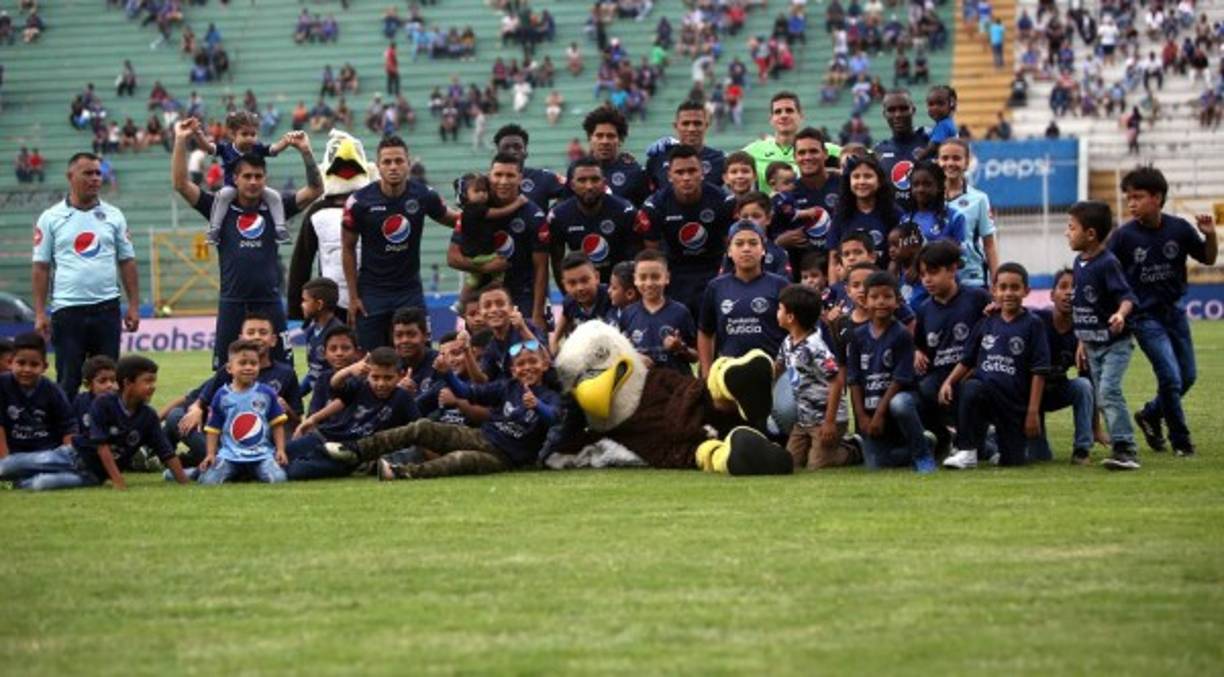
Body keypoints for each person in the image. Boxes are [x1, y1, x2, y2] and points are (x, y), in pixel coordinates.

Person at [171, 118, 322, 370]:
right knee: (225, 372)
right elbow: (181, 185)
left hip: (270, 302)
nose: (253, 181)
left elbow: (316, 189)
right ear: (235, 179)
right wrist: (179, 140)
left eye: (258, 176)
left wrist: (306, 152)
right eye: (247, 176)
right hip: (232, 302)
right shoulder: (219, 207)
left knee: (282, 370)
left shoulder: (277, 207)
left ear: (265, 178)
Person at [327, 338, 561, 481]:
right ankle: (356, 450)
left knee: (459, 460)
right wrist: (446, 372)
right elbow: (466, 392)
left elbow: (553, 420)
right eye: (521, 364)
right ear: (513, 370)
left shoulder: (552, 396)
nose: (527, 368)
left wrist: (538, 406)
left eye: (533, 362)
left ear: (544, 365)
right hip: (483, 436)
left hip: (507, 458)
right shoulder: (506, 387)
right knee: (423, 427)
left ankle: (400, 473)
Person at [1111, 168, 1217, 458]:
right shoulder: (1122, 238)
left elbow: (1208, 258)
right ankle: (1181, 441)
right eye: (1128, 198)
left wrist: (1209, 236)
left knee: (1188, 377)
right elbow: (1106, 272)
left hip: (1174, 312)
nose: (1131, 203)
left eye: (1137, 197)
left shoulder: (1179, 229)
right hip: (1144, 317)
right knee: (1170, 377)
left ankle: (1149, 415)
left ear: (1157, 198)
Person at [32, 152, 141, 396]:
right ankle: (69, 434)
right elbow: (41, 267)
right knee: (68, 380)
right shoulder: (50, 218)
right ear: (70, 176)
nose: (95, 178)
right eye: (88, 173)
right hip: (67, 311)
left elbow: (127, 261)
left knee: (108, 380)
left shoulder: (114, 215)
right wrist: (40, 312)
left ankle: (106, 432)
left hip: (106, 309)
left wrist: (133, 305)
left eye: (98, 173)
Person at [0, 355, 190, 490]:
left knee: (40, 484)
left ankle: (16, 485)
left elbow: (167, 453)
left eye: (154, 381)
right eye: (147, 381)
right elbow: (102, 447)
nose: (152, 386)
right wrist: (118, 481)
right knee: (6, 466)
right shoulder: (104, 403)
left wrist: (184, 483)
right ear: (127, 383)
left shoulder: (147, 416)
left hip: (92, 476)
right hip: (72, 456)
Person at [342, 135, 457, 350]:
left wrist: (484, 215)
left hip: (409, 291)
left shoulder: (423, 195)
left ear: (408, 164)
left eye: (398, 161)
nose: (393, 167)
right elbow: (347, 248)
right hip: (371, 293)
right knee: (371, 358)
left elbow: (455, 221)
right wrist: (354, 297)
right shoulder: (359, 202)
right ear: (378, 166)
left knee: (420, 354)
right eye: (387, 162)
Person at [940, 263, 1049, 468]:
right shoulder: (986, 322)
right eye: (1003, 287)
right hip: (985, 395)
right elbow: (967, 360)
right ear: (994, 290)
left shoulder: (1034, 324)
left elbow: (1039, 371)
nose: (1008, 293)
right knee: (971, 388)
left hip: (1014, 404)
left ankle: (992, 445)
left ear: (1026, 291)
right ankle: (967, 451)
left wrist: (1032, 412)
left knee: (1013, 462)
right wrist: (948, 382)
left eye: (1014, 288)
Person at [166, 312, 303, 467]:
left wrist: (286, 409)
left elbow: (297, 421)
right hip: (226, 441)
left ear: (273, 340)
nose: (257, 337)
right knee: (176, 416)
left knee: (296, 443)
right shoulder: (228, 370)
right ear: (241, 338)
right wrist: (197, 408)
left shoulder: (286, 373)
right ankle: (208, 459)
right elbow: (201, 399)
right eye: (251, 332)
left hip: (262, 442)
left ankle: (210, 463)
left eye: (263, 332)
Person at [1065, 200, 1139, 470]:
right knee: (1101, 395)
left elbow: (1127, 297)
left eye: (1071, 228)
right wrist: (1082, 341)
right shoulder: (1078, 262)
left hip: (1114, 344)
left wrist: (1120, 314)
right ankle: (1121, 448)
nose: (1066, 232)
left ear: (1091, 234)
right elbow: (1084, 305)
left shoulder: (1108, 263)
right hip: (1092, 345)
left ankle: (1126, 449)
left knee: (1108, 391)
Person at [286, 347, 421, 481]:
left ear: (400, 375)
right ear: (368, 374)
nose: (381, 383)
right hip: (325, 437)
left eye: (388, 378)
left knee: (296, 471)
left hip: (349, 454)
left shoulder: (403, 398)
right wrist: (350, 370)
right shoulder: (360, 385)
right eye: (375, 377)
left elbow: (418, 431)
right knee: (282, 454)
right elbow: (335, 384)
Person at [847, 271, 936, 473]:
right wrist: (862, 417)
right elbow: (853, 380)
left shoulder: (901, 334)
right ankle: (925, 442)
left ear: (898, 302)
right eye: (875, 297)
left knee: (901, 404)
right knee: (877, 466)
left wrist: (879, 414)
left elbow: (900, 379)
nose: (881, 302)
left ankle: (921, 453)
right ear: (864, 301)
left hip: (894, 404)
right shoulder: (857, 336)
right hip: (870, 409)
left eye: (887, 297)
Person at [447, 154, 550, 328]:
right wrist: (485, 267)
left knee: (526, 352)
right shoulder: (473, 211)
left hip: (522, 297)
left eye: (510, 176)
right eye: (498, 175)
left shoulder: (535, 216)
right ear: (490, 176)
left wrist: (537, 313)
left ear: (520, 178)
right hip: (484, 299)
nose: (503, 181)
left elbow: (541, 267)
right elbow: (452, 258)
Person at [912, 240, 991, 459]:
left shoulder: (977, 298)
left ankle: (977, 440)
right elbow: (920, 342)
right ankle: (946, 435)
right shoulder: (924, 309)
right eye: (923, 274)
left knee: (969, 389)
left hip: (972, 371)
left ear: (953, 269)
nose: (927, 279)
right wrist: (917, 351)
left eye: (934, 272)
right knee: (924, 390)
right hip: (940, 374)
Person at [642, 145, 737, 319]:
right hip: (675, 272)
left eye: (692, 171)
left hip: (714, 269)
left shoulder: (723, 201)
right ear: (669, 176)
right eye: (679, 172)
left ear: (702, 172)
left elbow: (730, 247)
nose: (686, 177)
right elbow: (652, 253)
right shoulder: (655, 206)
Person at [775, 284, 858, 469]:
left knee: (817, 465)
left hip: (827, 418)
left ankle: (852, 449)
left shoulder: (815, 347)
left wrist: (830, 422)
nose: (777, 312)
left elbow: (836, 381)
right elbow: (778, 367)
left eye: (779, 309)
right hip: (803, 417)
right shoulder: (787, 342)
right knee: (792, 463)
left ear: (790, 317)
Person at [698, 221, 789, 376]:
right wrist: (707, 373)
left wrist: (782, 366)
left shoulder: (780, 285)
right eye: (739, 244)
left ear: (763, 249)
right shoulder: (716, 287)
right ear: (729, 251)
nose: (746, 249)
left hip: (775, 373)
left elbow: (793, 331)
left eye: (753, 243)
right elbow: (705, 332)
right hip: (729, 373)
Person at [196, 339, 290, 484]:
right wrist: (210, 454)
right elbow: (213, 429)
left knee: (279, 479)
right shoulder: (222, 396)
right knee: (208, 481)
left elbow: (277, 424)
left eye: (253, 363)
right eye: (242, 363)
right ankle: (193, 473)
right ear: (229, 368)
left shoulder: (266, 393)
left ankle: (248, 473)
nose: (248, 367)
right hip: (230, 456)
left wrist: (280, 450)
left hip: (262, 455)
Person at [1031, 268, 1097, 465]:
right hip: (1030, 395)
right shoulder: (1036, 321)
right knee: (1039, 458)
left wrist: (1097, 427)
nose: (1069, 292)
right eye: (1063, 287)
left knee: (1083, 386)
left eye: (1075, 288)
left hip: (1058, 390)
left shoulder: (1081, 334)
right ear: (1052, 295)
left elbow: (1091, 380)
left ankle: (1082, 450)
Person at [547, 156, 642, 286]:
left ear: (604, 183)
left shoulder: (625, 211)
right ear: (572, 185)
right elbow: (557, 261)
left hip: (621, 288)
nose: (589, 186)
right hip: (582, 288)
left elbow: (636, 258)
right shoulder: (558, 216)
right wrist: (568, 294)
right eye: (582, 180)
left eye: (595, 179)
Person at [770, 127, 842, 273]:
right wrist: (779, 242)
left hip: (840, 273)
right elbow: (768, 240)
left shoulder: (844, 185)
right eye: (802, 153)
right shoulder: (786, 195)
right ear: (795, 158)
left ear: (825, 154)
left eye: (813, 151)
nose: (807, 157)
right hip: (801, 278)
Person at [618, 249, 698, 374]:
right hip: (643, 387)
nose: (649, 283)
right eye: (643, 277)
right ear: (635, 279)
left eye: (655, 277)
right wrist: (634, 357)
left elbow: (695, 356)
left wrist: (681, 348)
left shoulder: (681, 312)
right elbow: (620, 354)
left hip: (676, 388)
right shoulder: (627, 314)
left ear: (667, 278)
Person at [0, 333, 75, 459]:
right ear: (11, 362)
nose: (27, 369)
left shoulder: (53, 391)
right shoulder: (2, 385)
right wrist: (5, 460)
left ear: (44, 367)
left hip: (46, 454)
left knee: (51, 479)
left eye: (34, 365)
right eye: (21, 363)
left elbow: (68, 428)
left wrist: (70, 459)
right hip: (11, 453)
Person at [937, 139, 998, 287]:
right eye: (945, 158)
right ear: (937, 161)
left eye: (956, 158)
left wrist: (996, 283)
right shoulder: (929, 198)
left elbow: (989, 245)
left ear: (967, 162)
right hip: (937, 280)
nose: (950, 163)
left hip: (971, 279)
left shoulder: (979, 199)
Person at [455, 172, 527, 290]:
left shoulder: (470, 210)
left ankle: (462, 300)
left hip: (473, 254)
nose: (482, 194)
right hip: (481, 255)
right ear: (465, 195)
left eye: (484, 191)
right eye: (477, 191)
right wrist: (518, 203)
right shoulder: (474, 210)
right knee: (503, 265)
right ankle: (497, 286)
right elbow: (500, 213)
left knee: (474, 280)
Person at [829, 155, 899, 274]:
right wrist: (835, 289)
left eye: (868, 176)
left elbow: (898, 257)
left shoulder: (894, 213)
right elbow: (834, 258)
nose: (861, 182)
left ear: (880, 181)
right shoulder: (841, 214)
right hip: (850, 286)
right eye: (856, 177)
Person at [643, 99, 727, 191]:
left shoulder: (720, 161)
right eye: (685, 123)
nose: (691, 129)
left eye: (697, 123)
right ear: (676, 126)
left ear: (706, 126)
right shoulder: (657, 160)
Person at [192, 111, 290, 189]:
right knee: (222, 197)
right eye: (244, 134)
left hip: (255, 188)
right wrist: (198, 134)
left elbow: (274, 149)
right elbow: (208, 147)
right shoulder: (226, 148)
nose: (249, 138)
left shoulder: (257, 148)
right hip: (232, 189)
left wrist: (286, 141)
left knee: (273, 196)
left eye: (253, 135)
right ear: (232, 134)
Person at [580, 105, 649, 206]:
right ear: (590, 138)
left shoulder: (635, 172)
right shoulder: (576, 170)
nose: (605, 141)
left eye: (610, 136)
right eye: (599, 136)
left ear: (620, 140)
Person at [874, 90, 930, 207]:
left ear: (913, 110)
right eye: (891, 110)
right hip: (893, 223)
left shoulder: (930, 143)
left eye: (903, 109)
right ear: (885, 114)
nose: (898, 115)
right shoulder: (879, 151)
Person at [493, 124, 566, 211]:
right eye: (506, 147)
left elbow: (572, 191)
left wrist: (553, 214)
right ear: (497, 152)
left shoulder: (543, 177)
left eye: (517, 147)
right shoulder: (487, 182)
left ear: (526, 151)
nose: (512, 151)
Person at [550, 252, 613, 353]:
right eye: (572, 283)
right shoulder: (569, 302)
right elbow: (564, 317)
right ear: (564, 285)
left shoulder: (611, 296)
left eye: (584, 280)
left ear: (596, 277)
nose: (579, 288)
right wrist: (554, 342)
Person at [724, 192, 792, 278]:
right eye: (745, 217)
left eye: (756, 216)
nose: (750, 221)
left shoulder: (779, 254)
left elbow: (784, 287)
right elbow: (723, 284)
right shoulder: (733, 251)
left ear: (768, 218)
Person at [298, 277, 345, 398]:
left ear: (319, 304)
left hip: (335, 398)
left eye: (305, 301)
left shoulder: (338, 333)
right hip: (319, 396)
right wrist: (295, 395)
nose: (301, 305)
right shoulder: (310, 331)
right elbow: (313, 373)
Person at [71, 355, 117, 433]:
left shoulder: (122, 403)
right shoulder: (80, 401)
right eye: (102, 381)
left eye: (113, 380)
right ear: (87, 384)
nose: (110, 385)